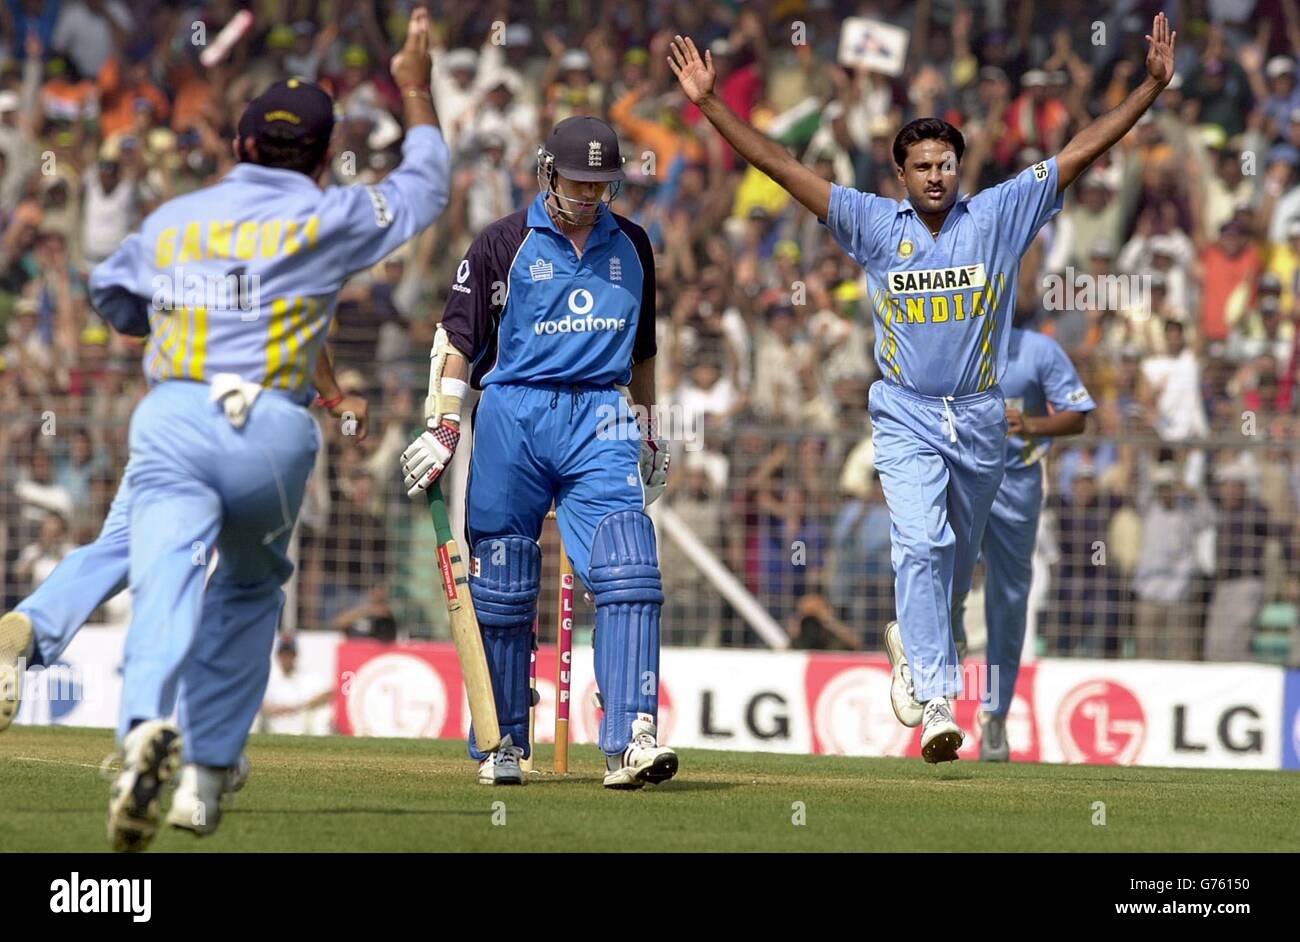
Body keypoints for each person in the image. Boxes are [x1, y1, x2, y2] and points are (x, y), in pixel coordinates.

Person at [667, 12, 1176, 762]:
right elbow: (781, 167)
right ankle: (939, 701)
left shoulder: (999, 214)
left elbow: (1080, 150)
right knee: (920, 540)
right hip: (903, 410)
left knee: (953, 568)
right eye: (923, 165)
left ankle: (916, 638)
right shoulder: (873, 223)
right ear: (900, 175)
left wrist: (1150, 89)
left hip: (979, 419)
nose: (937, 174)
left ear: (958, 169)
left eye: (946, 163)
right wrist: (712, 106)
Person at [31, 8, 446, 852]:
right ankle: (207, 778)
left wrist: (180, 309)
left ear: (240, 145)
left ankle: (146, 726)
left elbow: (115, 299)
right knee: (251, 589)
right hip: (276, 428)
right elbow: (428, 184)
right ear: (325, 158)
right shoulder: (331, 216)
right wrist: (412, 87)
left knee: (163, 579)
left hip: (179, 413)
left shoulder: (176, 220)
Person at [400, 114, 673, 789]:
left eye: (601, 185)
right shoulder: (502, 242)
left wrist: (647, 422)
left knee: (630, 568)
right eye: (578, 183)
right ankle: (501, 740)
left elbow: (643, 352)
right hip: (513, 413)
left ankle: (630, 737)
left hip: (601, 415)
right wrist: (443, 424)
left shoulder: (633, 244)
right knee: (503, 584)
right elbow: (457, 340)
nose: (588, 197)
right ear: (549, 171)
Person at [952, 315, 1095, 761]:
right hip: (966, 474)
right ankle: (947, 644)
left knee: (1009, 600)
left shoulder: (1038, 349)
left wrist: (1029, 425)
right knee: (945, 571)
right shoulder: (955, 340)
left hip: (1018, 484)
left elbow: (1077, 416)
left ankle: (994, 716)